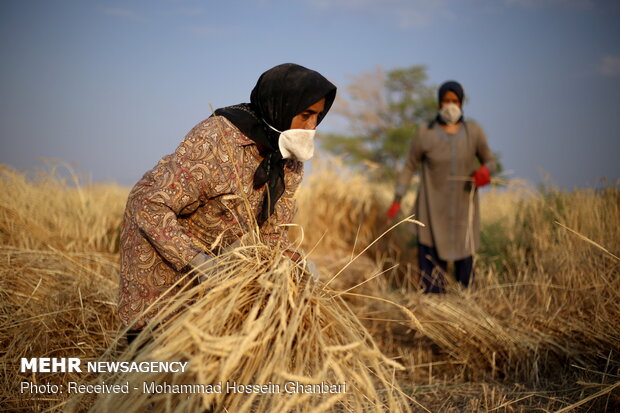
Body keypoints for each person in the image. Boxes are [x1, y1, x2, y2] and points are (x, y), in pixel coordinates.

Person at [118, 63, 337, 339]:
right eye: (306, 115)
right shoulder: (217, 139)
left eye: (318, 116)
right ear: (280, 106)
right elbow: (149, 204)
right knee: (152, 342)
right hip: (158, 242)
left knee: (197, 346)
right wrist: (198, 262)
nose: (312, 126)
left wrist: (293, 261)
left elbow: (270, 233)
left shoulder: (289, 159)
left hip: (211, 255)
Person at [387, 81, 496, 293]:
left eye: (454, 101)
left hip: (464, 214)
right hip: (430, 214)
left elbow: (489, 160)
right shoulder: (424, 133)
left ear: (462, 103)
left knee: (467, 285)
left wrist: (485, 171)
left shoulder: (473, 132)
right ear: (439, 102)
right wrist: (397, 198)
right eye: (446, 101)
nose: (450, 105)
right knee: (432, 284)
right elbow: (409, 165)